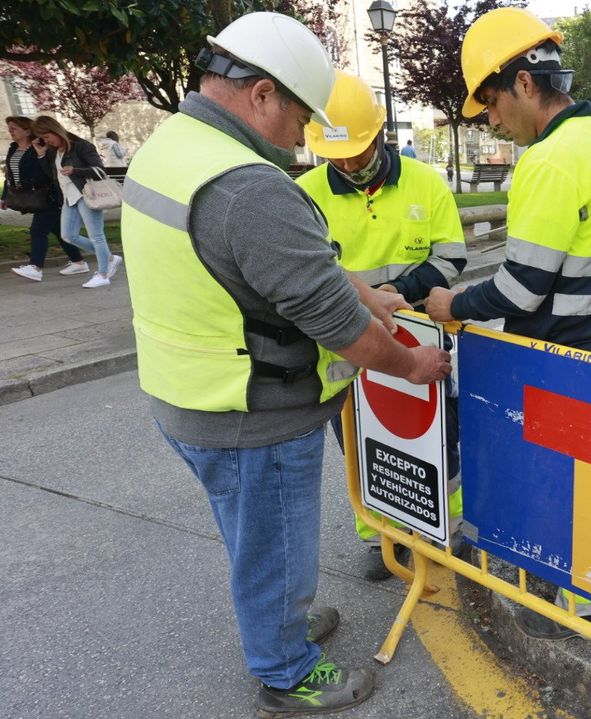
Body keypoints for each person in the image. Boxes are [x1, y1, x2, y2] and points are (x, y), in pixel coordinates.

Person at [120, 12, 452, 717]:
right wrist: (412, 364)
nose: (305, 135)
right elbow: (341, 328)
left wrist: (367, 292)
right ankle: (286, 667)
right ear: (263, 93)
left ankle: (282, 622)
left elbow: (304, 269)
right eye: (302, 114)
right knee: (273, 542)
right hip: (254, 413)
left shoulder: (172, 148)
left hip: (185, 396)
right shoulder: (251, 186)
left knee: (253, 535)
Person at [425, 6, 591, 640]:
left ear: (524, 83)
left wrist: (450, 305)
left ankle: (581, 602)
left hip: (557, 350)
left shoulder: (546, 161)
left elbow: (520, 286)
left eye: (489, 101)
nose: (490, 118)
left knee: (562, 474)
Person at [297, 70, 467, 580]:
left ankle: (448, 528)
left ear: (380, 133)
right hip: (345, 349)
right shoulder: (303, 193)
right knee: (359, 445)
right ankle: (382, 537)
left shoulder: (424, 183)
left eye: (358, 148)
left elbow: (452, 257)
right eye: (336, 154)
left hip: (422, 341)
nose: (348, 162)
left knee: (441, 439)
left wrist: (401, 293)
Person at [30, 116, 121, 289]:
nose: (47, 141)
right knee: (68, 235)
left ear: (54, 130)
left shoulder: (81, 146)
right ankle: (109, 258)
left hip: (86, 195)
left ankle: (103, 274)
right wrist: (41, 154)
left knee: (97, 236)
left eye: (48, 137)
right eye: (45, 139)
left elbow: (100, 171)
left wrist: (76, 170)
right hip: (68, 199)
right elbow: (53, 176)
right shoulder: (54, 152)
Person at [4, 115, 89, 281]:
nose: (10, 131)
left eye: (14, 128)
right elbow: (10, 175)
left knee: (37, 230)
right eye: (9, 128)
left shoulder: (42, 147)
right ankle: (78, 262)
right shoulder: (13, 148)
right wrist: (5, 195)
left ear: (27, 130)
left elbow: (49, 172)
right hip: (30, 195)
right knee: (58, 230)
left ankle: (35, 267)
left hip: (47, 194)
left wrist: (39, 158)